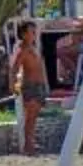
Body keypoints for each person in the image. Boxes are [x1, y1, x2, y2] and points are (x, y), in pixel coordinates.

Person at [9, 17, 51, 154]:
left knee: (34, 117)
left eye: (34, 31)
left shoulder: (33, 48)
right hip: (30, 85)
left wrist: (45, 84)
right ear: (24, 34)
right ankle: (28, 144)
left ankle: (31, 142)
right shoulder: (23, 50)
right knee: (30, 117)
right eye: (31, 32)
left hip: (39, 85)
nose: (34, 34)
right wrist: (12, 83)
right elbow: (14, 68)